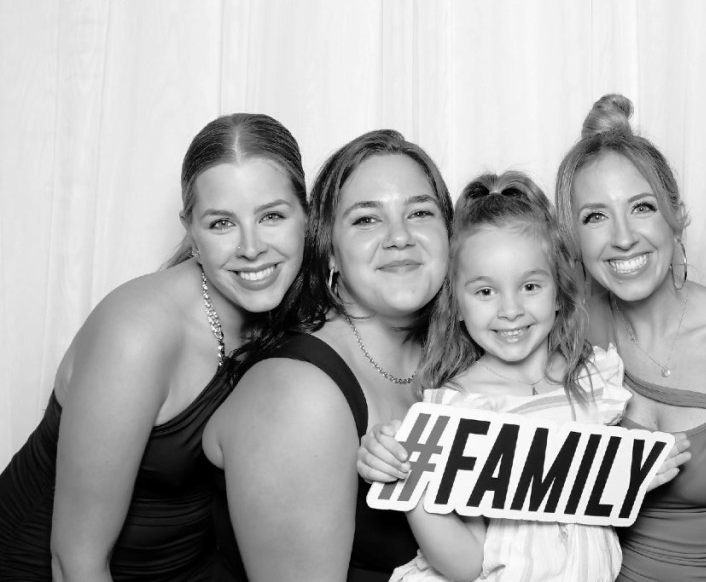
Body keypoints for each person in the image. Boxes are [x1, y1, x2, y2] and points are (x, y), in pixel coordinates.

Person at [0, 113, 308, 581]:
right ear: (191, 230)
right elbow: (75, 562)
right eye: (222, 223)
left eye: (271, 216)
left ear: (307, 215)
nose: (251, 247)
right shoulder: (137, 333)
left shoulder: (299, 309)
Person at [554, 94, 706, 581]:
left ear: (676, 215)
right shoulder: (570, 326)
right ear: (572, 237)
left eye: (642, 207)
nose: (623, 237)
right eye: (595, 216)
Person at [205, 129, 453, 582]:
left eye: (420, 212)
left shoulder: (456, 359)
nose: (400, 237)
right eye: (366, 219)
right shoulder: (298, 395)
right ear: (330, 253)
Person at [366, 170, 633, 582]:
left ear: (559, 292)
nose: (510, 310)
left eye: (530, 286)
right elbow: (466, 563)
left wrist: (640, 473)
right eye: (485, 292)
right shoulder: (458, 409)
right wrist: (407, 482)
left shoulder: (594, 380)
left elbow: (615, 497)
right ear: (456, 304)